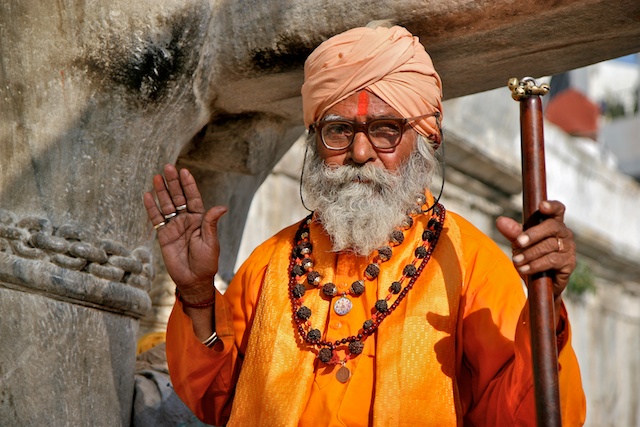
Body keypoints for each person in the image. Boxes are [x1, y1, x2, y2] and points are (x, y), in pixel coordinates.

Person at [143, 24, 586, 426]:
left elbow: (526, 417)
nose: (359, 152)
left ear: (426, 139)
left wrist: (546, 307)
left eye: (385, 130)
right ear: (316, 142)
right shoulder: (271, 263)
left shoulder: (468, 264)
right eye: (338, 131)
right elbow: (220, 403)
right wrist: (198, 295)